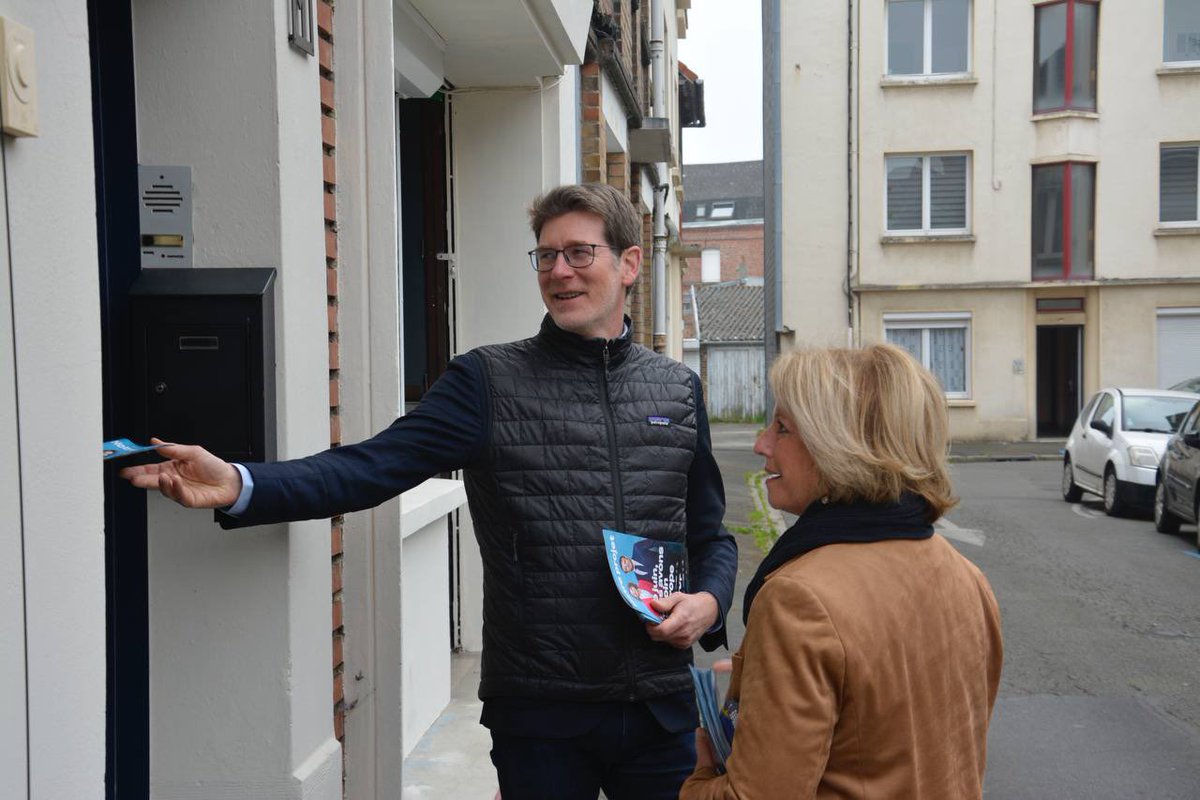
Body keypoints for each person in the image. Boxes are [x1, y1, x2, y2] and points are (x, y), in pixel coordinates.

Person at [122, 182, 738, 800]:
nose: (558, 272)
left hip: (658, 706)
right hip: (544, 711)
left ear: (629, 263)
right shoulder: (488, 381)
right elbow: (370, 467)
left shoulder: (676, 390)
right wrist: (241, 483)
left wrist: (708, 602)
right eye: (545, 256)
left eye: (579, 253)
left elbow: (710, 534)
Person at [680, 344, 1003, 800]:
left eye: (783, 428)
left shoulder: (799, 599)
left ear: (841, 447)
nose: (761, 444)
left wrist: (698, 778)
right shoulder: (968, 578)